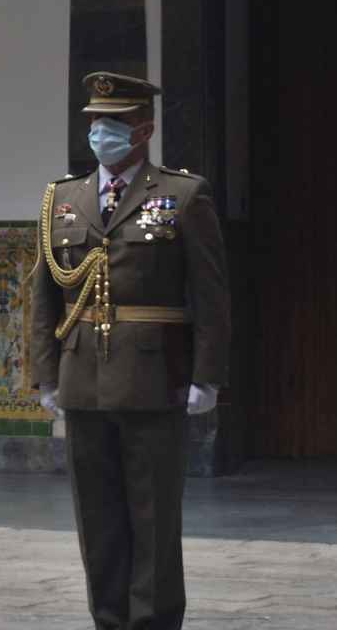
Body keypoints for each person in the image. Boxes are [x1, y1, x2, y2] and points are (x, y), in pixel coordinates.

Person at [30, 71, 231, 630]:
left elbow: (210, 292)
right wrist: (45, 375)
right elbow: (43, 295)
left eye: (113, 124)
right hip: (83, 380)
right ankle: (110, 621)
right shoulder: (62, 200)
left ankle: (153, 623)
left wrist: (206, 374)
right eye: (95, 123)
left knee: (153, 516)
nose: (101, 134)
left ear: (144, 129)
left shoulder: (183, 194)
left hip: (154, 378)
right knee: (97, 520)